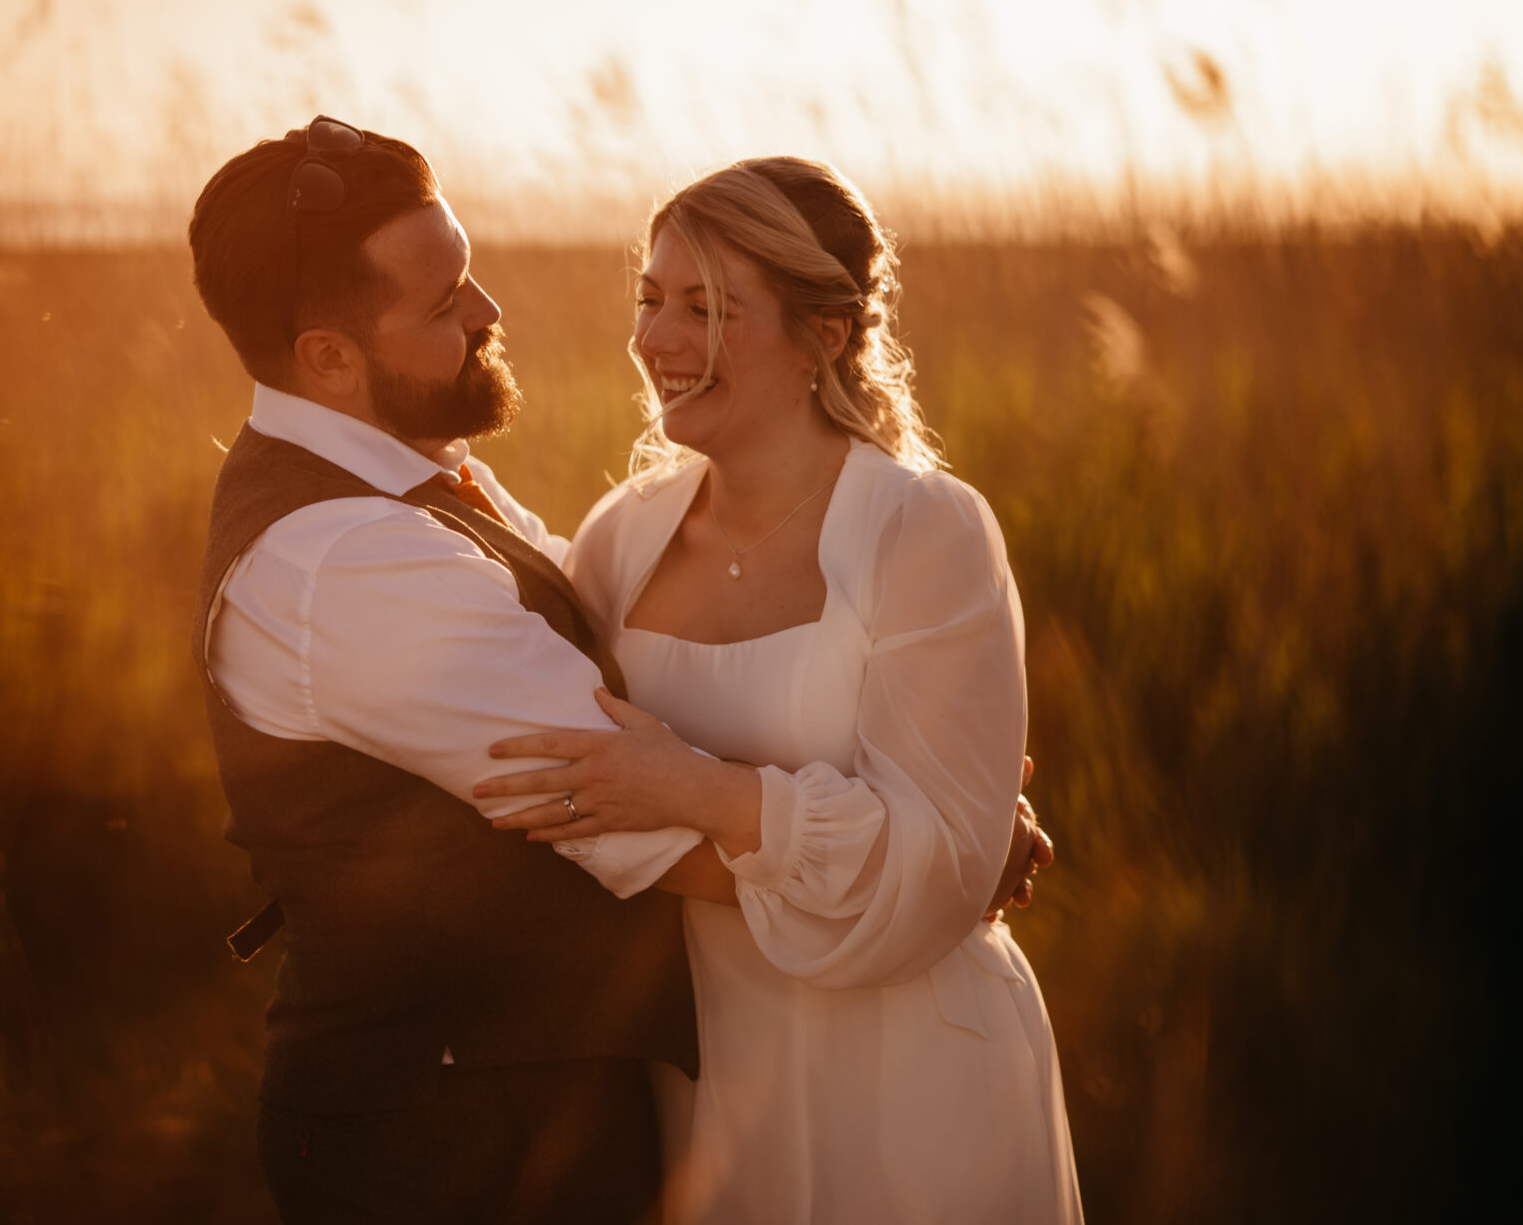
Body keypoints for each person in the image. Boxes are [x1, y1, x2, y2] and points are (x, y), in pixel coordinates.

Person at [185, 119, 1048, 1224]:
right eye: (442, 303)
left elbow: (612, 646)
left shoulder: (437, 498)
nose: (487, 311)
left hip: (704, 1093)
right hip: (453, 1149)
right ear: (328, 358)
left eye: (467, 273)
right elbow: (639, 814)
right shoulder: (347, 560)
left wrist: (951, 812)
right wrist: (939, 862)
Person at [472, 157, 1082, 1222]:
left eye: (707, 309)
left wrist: (697, 789)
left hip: (909, 1065)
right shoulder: (620, 541)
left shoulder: (920, 532)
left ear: (825, 334)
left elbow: (934, 862)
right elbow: (561, 790)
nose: (657, 340)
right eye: (650, 299)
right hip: (705, 1067)